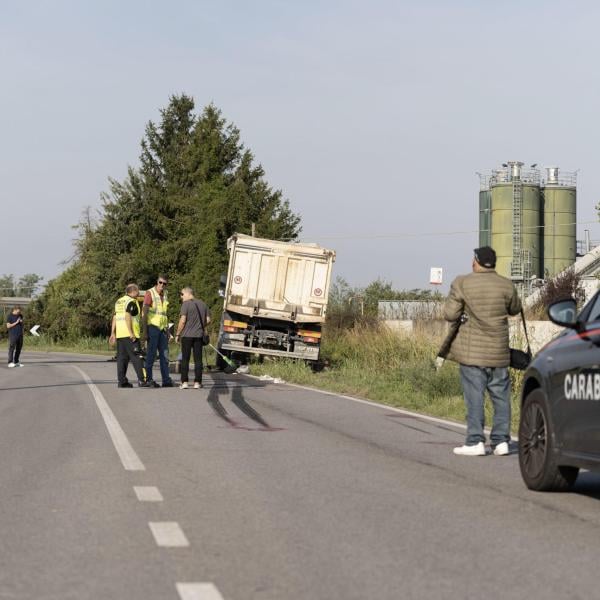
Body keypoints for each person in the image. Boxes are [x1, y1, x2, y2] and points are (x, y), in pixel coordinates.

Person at [443, 246, 522, 457]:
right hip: (499, 352)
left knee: (474, 397)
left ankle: (475, 441)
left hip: (472, 353)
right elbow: (515, 309)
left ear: (475, 262)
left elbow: (450, 314)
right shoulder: (506, 285)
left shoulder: (462, 282)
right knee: (501, 397)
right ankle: (501, 441)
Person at [109, 284, 149, 388]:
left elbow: (115, 317)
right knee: (137, 357)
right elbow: (127, 316)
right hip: (130, 335)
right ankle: (142, 380)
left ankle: (122, 382)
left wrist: (112, 333)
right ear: (134, 291)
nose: (139, 293)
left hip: (120, 335)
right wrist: (131, 333)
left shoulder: (119, 301)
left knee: (122, 359)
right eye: (138, 291)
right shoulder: (131, 301)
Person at [142, 275, 174, 388]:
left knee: (165, 356)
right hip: (152, 328)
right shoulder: (150, 293)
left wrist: (168, 331)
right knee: (151, 355)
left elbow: (164, 315)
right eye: (160, 283)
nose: (162, 285)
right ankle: (149, 379)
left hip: (162, 329)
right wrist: (145, 332)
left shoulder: (165, 294)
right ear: (157, 282)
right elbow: (144, 313)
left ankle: (166, 380)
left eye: (164, 283)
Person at [175, 287, 210, 389]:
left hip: (186, 335)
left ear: (187, 293)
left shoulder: (186, 304)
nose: (181, 297)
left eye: (182, 294)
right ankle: (197, 383)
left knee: (185, 359)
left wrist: (177, 334)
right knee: (198, 360)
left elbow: (182, 320)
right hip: (198, 335)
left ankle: (184, 382)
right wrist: (200, 325)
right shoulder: (203, 304)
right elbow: (208, 319)